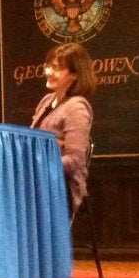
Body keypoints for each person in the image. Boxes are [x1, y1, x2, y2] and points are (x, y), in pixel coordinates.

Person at [30, 42, 96, 213]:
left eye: (57, 68)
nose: (48, 72)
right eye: (48, 66)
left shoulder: (76, 108)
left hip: (60, 186)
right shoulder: (46, 101)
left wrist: (39, 166)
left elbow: (75, 160)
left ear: (75, 75)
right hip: (39, 181)